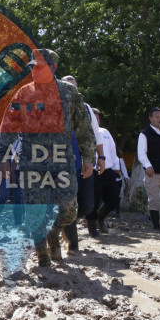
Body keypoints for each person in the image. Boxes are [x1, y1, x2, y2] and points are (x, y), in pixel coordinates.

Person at [0, 49, 95, 266]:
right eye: (32, 66)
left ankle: (53, 234)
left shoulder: (69, 92)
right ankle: (42, 254)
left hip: (63, 161)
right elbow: (8, 126)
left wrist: (89, 157)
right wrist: (3, 156)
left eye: (40, 66)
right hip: (31, 161)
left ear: (53, 67)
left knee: (70, 210)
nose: (34, 70)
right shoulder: (24, 93)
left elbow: (84, 127)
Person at [59, 75, 104, 245]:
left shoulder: (86, 108)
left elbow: (95, 133)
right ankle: (73, 245)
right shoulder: (55, 107)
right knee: (68, 201)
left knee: (86, 205)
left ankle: (63, 224)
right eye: (67, 87)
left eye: (74, 87)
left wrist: (101, 157)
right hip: (62, 163)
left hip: (83, 161)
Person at [85, 109, 121, 234]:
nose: (95, 121)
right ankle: (92, 229)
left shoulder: (105, 132)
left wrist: (117, 166)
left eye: (97, 119)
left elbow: (112, 150)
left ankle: (100, 218)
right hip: (92, 172)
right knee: (92, 201)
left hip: (109, 171)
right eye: (92, 119)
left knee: (114, 199)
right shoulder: (83, 134)